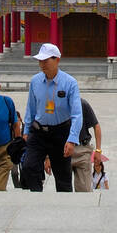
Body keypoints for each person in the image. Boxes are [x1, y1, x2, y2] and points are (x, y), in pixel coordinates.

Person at [21, 42, 82, 192]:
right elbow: (31, 108)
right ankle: (36, 194)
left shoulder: (70, 83)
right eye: (40, 61)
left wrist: (72, 139)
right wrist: (26, 130)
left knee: (63, 176)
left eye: (46, 60)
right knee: (29, 165)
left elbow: (77, 114)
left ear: (57, 60)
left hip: (60, 132)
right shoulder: (35, 81)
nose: (42, 64)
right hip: (38, 131)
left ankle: (64, 207)